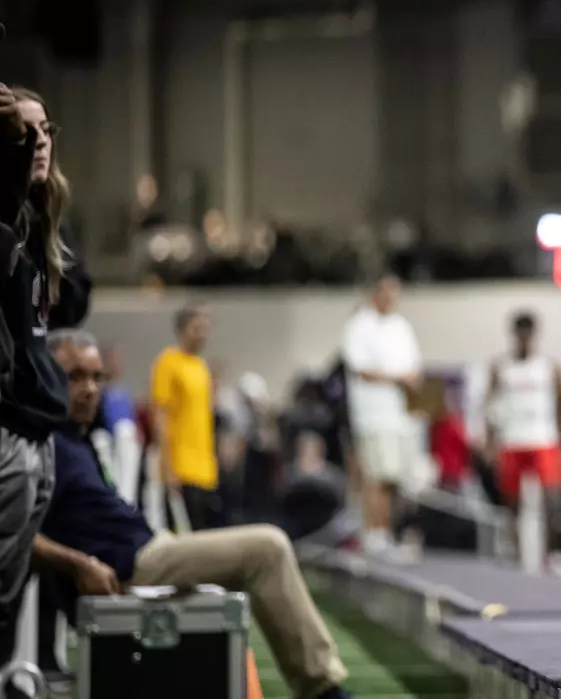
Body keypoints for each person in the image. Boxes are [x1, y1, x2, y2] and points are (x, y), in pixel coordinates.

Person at [36, 332, 351, 699]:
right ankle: (324, 690)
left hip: (150, 546)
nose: (90, 389)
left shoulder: (75, 438)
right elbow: (15, 532)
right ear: (45, 375)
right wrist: (78, 564)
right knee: (268, 546)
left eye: (96, 377)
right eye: (75, 376)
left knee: (262, 542)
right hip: (131, 564)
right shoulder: (44, 445)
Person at [0, 86, 81, 654]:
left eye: (45, 130)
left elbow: (77, 301)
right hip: (9, 427)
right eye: (24, 132)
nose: (40, 143)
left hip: (38, 428)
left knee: (10, 590)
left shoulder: (40, 226)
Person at [341, 275, 423, 555]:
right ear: (375, 292)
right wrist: (398, 378)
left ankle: (387, 531)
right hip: (373, 416)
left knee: (394, 478)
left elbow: (413, 370)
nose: (392, 298)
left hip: (400, 417)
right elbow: (361, 369)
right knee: (376, 475)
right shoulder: (359, 325)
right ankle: (374, 533)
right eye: (387, 292)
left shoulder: (401, 327)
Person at [486, 312, 561, 548]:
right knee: (512, 503)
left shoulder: (549, 367)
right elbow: (489, 407)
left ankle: (553, 553)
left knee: (552, 501)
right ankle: (514, 550)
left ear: (535, 336)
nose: (524, 340)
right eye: (520, 335)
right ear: (515, 336)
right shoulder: (500, 367)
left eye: (529, 335)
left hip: (543, 439)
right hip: (512, 440)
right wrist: (490, 442)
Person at [150, 304, 221, 530]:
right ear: (182, 329)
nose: (203, 333)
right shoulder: (168, 362)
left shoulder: (201, 367)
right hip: (181, 469)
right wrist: (168, 469)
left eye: (206, 328)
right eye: (197, 327)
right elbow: (160, 417)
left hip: (205, 471)